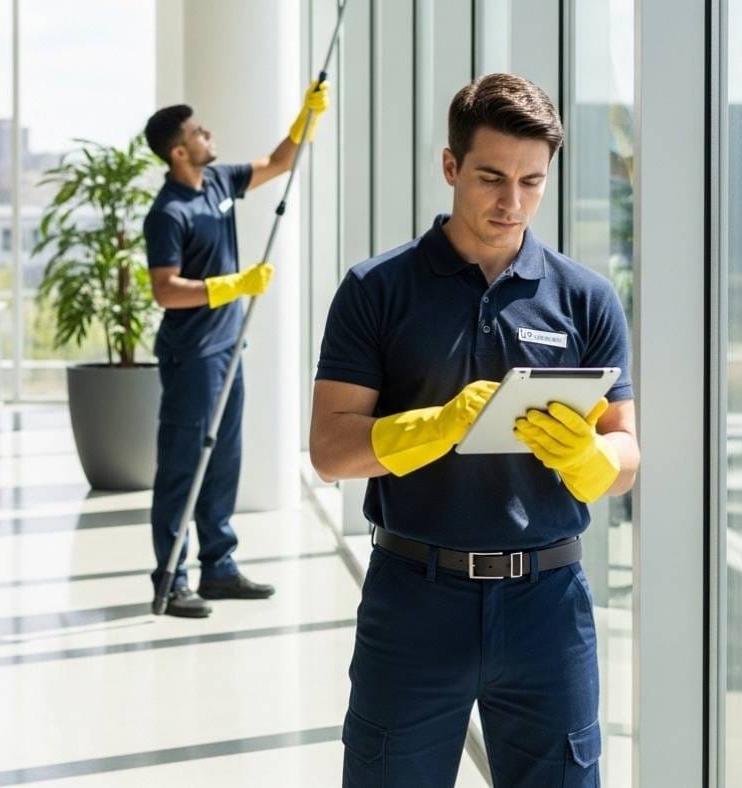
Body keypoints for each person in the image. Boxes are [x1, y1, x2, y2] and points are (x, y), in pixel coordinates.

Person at [309, 73, 640, 786]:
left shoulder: (587, 299)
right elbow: (331, 451)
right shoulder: (377, 289)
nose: (511, 201)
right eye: (492, 176)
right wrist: (437, 425)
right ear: (451, 166)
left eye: (531, 181)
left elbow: (627, 451)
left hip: (548, 606)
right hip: (414, 597)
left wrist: (591, 458)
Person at [142, 81, 330, 618]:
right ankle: (171, 579)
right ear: (179, 151)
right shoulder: (168, 212)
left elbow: (275, 163)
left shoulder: (218, 181)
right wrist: (229, 286)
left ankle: (219, 568)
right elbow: (164, 288)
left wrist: (305, 118)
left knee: (223, 461)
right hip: (191, 355)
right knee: (183, 465)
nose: (208, 133)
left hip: (227, 347)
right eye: (198, 131)